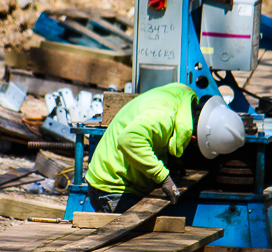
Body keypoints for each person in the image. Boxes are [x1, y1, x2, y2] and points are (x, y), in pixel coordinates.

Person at [86, 82, 245, 213]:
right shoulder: (163, 116)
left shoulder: (181, 97)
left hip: (125, 182)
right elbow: (129, 139)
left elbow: (157, 136)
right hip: (112, 188)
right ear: (195, 138)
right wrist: (162, 176)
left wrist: (170, 158)